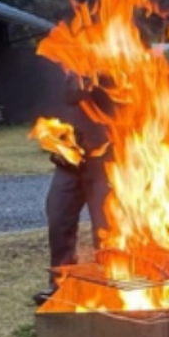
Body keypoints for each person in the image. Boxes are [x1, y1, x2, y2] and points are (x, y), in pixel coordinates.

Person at [34, 71, 115, 306]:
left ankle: (110, 281)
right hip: (69, 161)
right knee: (59, 219)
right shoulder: (72, 61)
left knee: (105, 227)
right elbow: (70, 97)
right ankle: (61, 282)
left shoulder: (116, 65)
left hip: (105, 163)